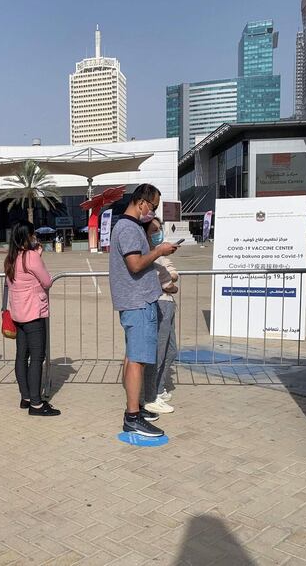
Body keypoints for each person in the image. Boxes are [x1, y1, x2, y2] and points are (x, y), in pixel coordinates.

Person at [109, 184, 177, 437]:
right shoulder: (127, 228)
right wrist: (159, 250)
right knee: (137, 360)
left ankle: (135, 407)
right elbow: (135, 264)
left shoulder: (132, 227)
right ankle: (132, 417)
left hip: (139, 301)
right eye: (154, 206)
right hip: (136, 302)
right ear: (142, 203)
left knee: (133, 357)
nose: (154, 212)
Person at [4, 220, 59, 416]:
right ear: (28, 236)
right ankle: (36, 403)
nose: (35, 237)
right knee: (37, 358)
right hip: (33, 313)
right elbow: (47, 281)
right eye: (33, 234)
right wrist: (37, 256)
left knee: (22, 356)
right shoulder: (31, 257)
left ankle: (26, 397)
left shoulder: (11, 257)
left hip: (18, 314)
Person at [142, 218, 179, 415]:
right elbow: (165, 282)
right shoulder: (146, 253)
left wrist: (170, 278)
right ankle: (152, 394)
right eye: (154, 230)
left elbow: (172, 273)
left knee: (171, 350)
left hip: (169, 303)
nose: (158, 233)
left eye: (159, 229)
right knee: (159, 351)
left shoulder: (160, 253)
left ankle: (159, 387)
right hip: (160, 303)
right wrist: (169, 283)